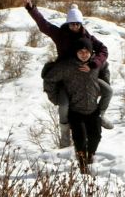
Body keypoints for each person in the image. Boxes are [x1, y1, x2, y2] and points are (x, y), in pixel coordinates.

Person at [22, 0, 113, 147]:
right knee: (64, 105)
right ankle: (65, 132)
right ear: (68, 23)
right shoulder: (60, 35)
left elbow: (103, 50)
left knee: (108, 91)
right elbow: (44, 25)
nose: (75, 27)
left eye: (77, 24)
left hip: (87, 74)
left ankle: (101, 115)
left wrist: (94, 63)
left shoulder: (87, 37)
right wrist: (32, 9)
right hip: (66, 76)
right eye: (72, 24)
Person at [43, 38, 104, 173]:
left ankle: (90, 156)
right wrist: (56, 98)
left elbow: (104, 62)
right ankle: (82, 166)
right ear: (75, 52)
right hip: (76, 111)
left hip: (93, 109)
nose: (84, 54)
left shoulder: (95, 64)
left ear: (91, 52)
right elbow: (49, 79)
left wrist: (102, 89)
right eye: (80, 51)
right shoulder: (67, 66)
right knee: (80, 139)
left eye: (86, 51)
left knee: (96, 136)